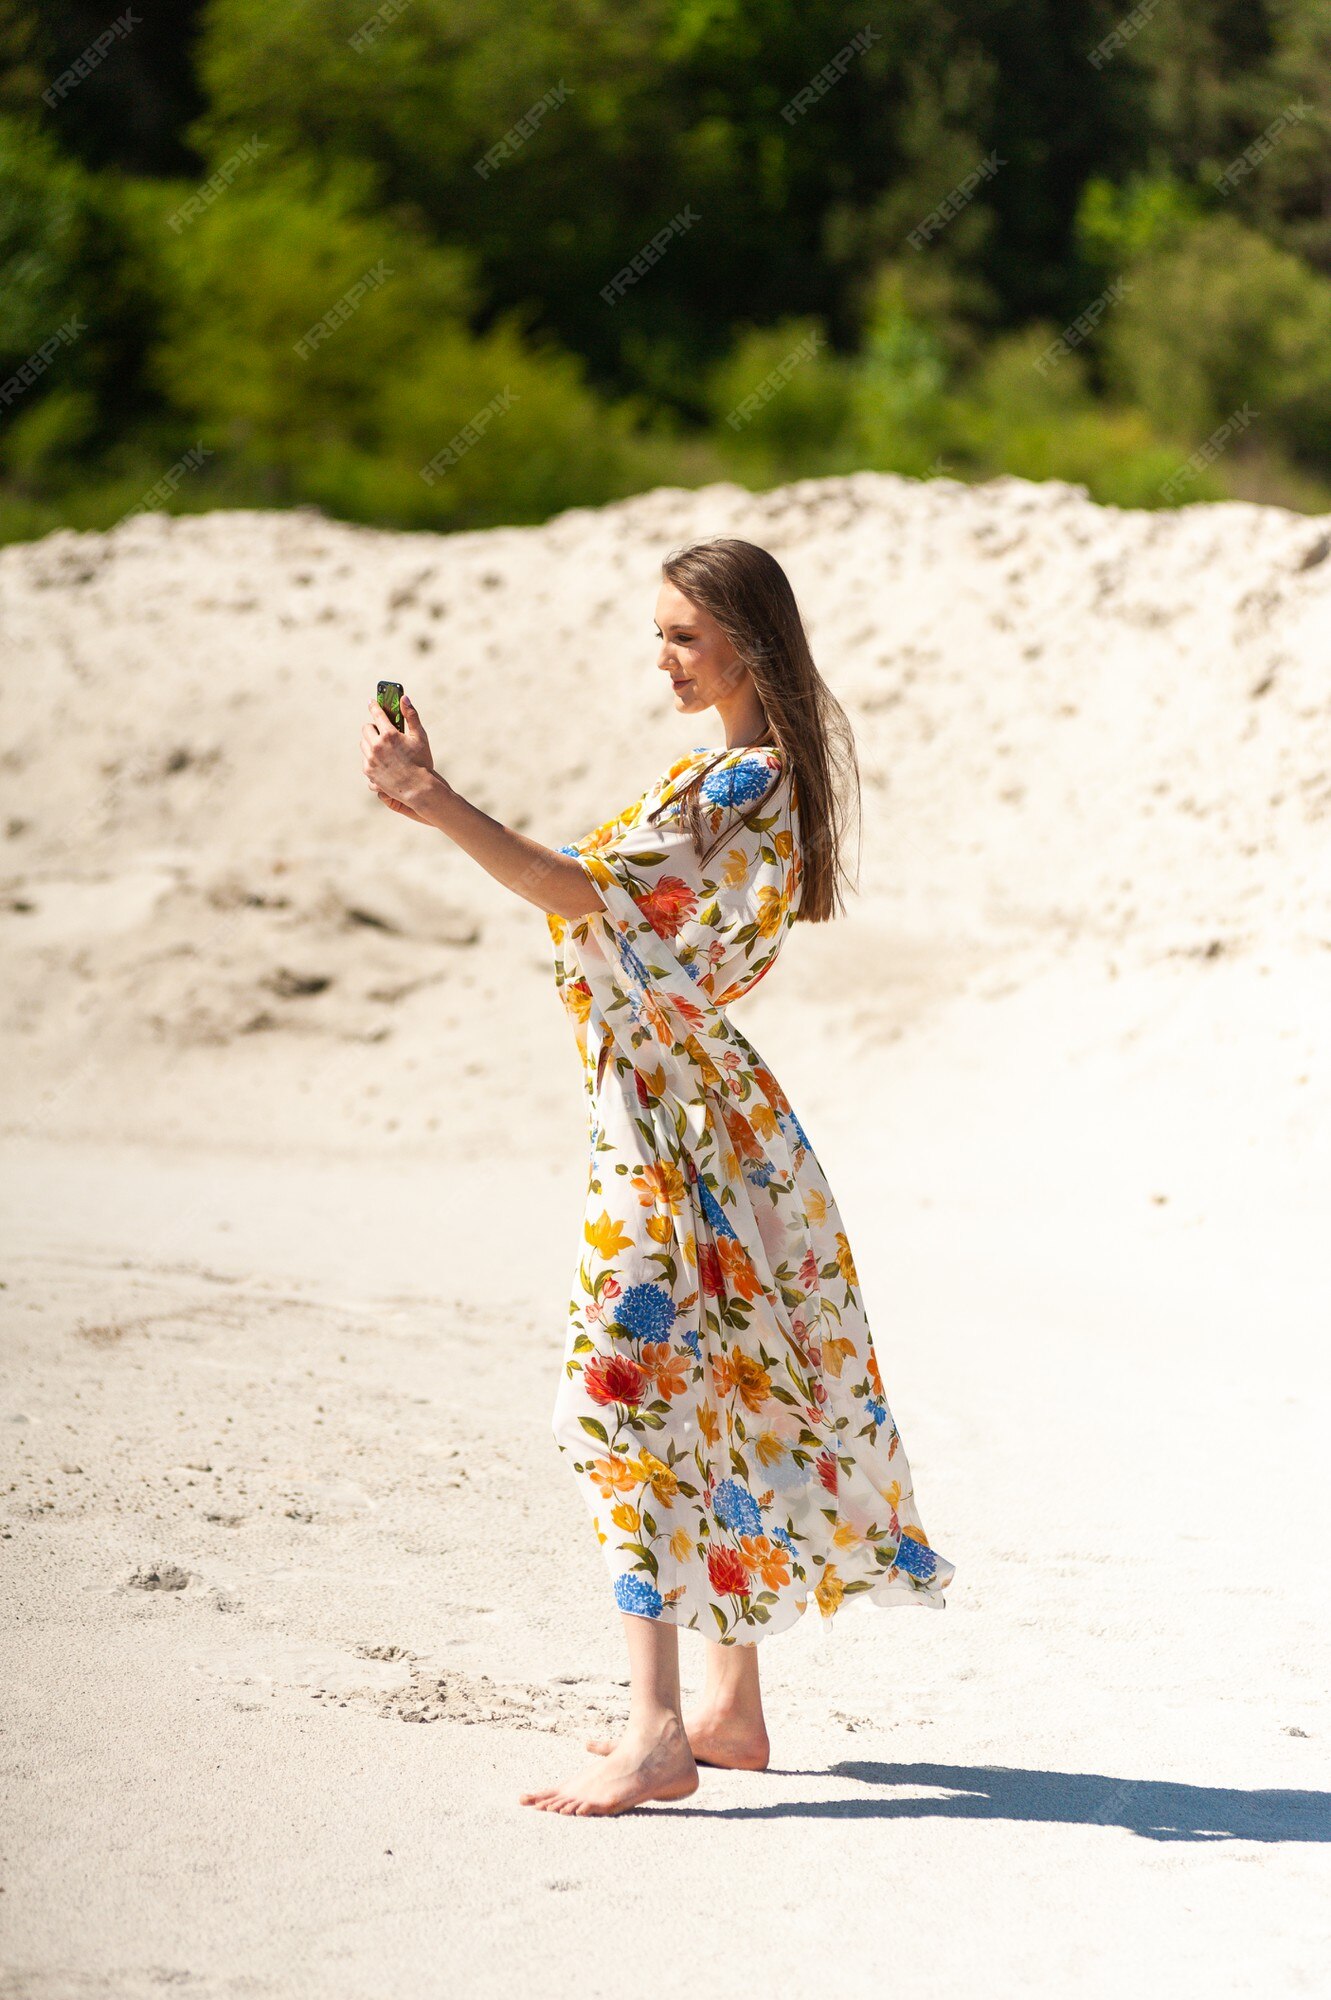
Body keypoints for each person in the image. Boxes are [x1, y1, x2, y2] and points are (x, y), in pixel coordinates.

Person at [360, 535, 956, 1817]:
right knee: (720, 1390)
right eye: (658, 635)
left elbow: (574, 891)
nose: (665, 657)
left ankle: (655, 1731)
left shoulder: (739, 784)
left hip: (677, 1125)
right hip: (697, 1111)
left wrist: (433, 800)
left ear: (748, 638)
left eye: (684, 635)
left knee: (623, 1399)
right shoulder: (735, 773)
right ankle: (729, 1709)